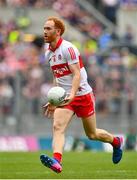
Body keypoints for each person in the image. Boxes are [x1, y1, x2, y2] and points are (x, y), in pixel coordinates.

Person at [40, 16, 123, 173]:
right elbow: (56, 76)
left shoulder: (68, 48)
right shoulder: (48, 54)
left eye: (48, 29)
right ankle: (57, 161)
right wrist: (53, 100)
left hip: (83, 94)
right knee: (58, 126)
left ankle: (116, 141)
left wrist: (73, 94)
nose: (44, 32)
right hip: (65, 97)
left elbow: (76, 74)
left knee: (92, 134)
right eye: (44, 28)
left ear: (57, 32)